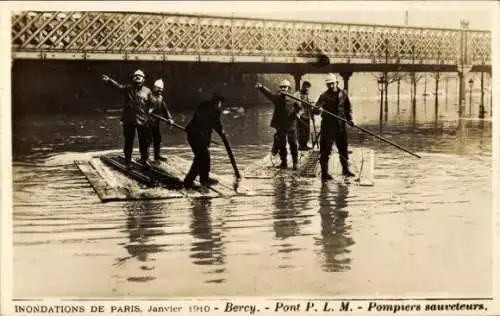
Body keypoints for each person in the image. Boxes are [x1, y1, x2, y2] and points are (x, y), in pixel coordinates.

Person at [102, 69, 152, 169]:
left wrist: (150, 111)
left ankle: (144, 160)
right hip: (129, 120)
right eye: (136, 76)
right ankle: (128, 161)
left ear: (143, 79)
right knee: (128, 141)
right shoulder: (128, 88)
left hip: (142, 120)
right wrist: (109, 80)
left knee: (144, 142)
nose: (137, 77)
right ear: (133, 78)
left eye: (140, 76)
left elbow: (151, 104)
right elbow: (118, 87)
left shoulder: (147, 91)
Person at [315, 73, 355, 181]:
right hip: (327, 127)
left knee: (343, 149)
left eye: (332, 84)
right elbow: (316, 109)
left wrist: (350, 119)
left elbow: (348, 108)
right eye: (328, 84)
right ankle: (324, 174)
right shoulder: (323, 96)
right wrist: (318, 109)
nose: (331, 86)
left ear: (337, 83)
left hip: (341, 126)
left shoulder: (343, 94)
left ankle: (345, 170)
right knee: (325, 151)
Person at [256, 80, 301, 170]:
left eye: (285, 87)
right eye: (282, 87)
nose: (283, 89)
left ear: (289, 89)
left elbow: (299, 108)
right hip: (281, 125)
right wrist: (261, 87)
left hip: (291, 124)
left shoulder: (293, 99)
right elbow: (268, 94)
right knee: (282, 144)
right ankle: (283, 162)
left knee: (293, 144)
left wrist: (298, 113)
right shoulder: (276, 98)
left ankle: (295, 163)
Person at [184, 94, 226, 188]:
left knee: (200, 158)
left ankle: (198, 179)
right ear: (218, 103)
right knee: (204, 158)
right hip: (198, 136)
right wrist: (222, 132)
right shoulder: (215, 110)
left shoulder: (203, 104)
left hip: (191, 133)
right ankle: (196, 180)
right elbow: (216, 124)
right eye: (221, 104)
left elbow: (205, 123)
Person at [147, 79, 173, 162]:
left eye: (161, 89)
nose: (160, 90)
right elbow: (141, 105)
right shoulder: (148, 96)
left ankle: (157, 155)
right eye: (158, 88)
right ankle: (145, 157)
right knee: (148, 139)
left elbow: (165, 109)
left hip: (156, 122)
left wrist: (169, 118)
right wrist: (147, 110)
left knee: (157, 138)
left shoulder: (160, 98)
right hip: (147, 121)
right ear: (154, 87)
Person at [294, 80, 315, 150]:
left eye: (308, 88)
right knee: (301, 131)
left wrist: (312, 116)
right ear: (303, 86)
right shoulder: (297, 94)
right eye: (306, 87)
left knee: (307, 131)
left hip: (307, 115)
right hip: (300, 115)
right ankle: (301, 146)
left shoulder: (307, 94)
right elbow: (295, 104)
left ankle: (305, 145)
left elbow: (310, 106)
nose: (307, 89)